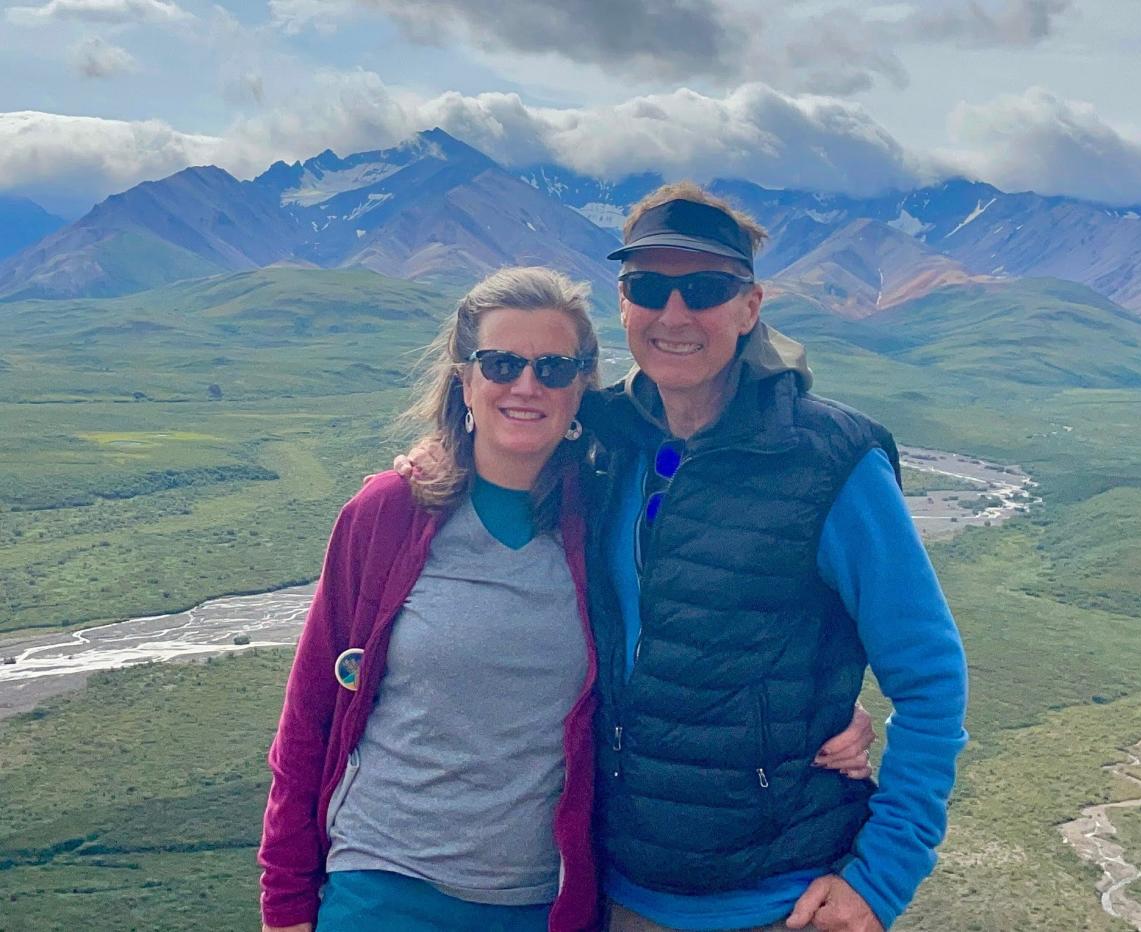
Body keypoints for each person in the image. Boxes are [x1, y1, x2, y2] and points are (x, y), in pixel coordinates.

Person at [261, 266, 875, 932]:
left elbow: (686, 641)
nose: (526, 386)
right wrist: (287, 902)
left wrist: (812, 711)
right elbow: (310, 717)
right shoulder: (389, 515)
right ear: (464, 378)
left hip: (545, 900)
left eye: (554, 369)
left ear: (582, 386)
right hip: (383, 886)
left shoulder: (605, 513)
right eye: (501, 364)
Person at [579, 183, 969, 932]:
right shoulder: (603, 444)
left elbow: (931, 677)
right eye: (649, 287)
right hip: (619, 888)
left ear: (750, 307)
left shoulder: (830, 462)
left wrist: (880, 880)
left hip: (780, 901)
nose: (674, 313)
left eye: (705, 288)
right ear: (623, 303)